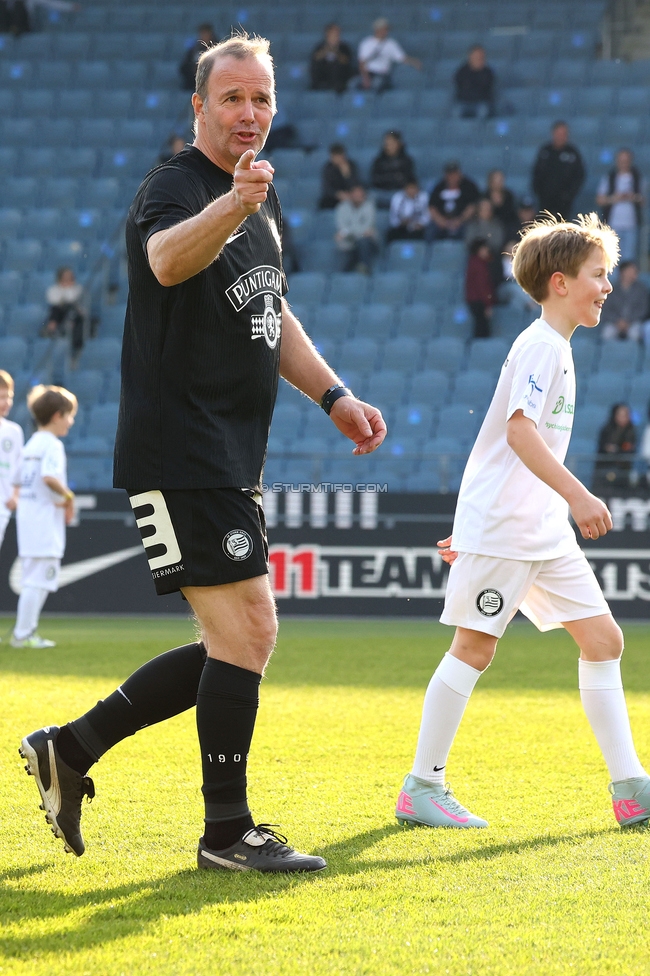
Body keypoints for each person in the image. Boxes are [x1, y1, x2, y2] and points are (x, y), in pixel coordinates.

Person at [19, 34, 386, 872]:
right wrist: (233, 207)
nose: (249, 113)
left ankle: (70, 749)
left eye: (261, 99)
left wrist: (334, 396)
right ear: (200, 106)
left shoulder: (263, 199)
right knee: (251, 628)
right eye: (232, 98)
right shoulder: (177, 187)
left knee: (239, 641)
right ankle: (227, 833)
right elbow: (165, 260)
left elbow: (273, 313)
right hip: (177, 447)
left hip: (229, 452)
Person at [397, 214, 650, 833]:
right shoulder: (540, 344)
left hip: (535, 530)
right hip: (513, 527)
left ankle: (632, 791)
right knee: (474, 648)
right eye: (599, 276)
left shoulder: (554, 347)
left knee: (603, 641)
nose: (607, 287)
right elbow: (518, 433)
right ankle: (422, 787)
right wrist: (579, 496)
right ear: (560, 283)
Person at [11, 385, 76, 649]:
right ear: (57, 415)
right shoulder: (52, 445)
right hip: (44, 523)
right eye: (69, 416)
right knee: (38, 581)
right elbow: (49, 477)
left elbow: (17, 480)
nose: (71, 422)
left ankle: (23, 633)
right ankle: (24, 635)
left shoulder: (30, 444)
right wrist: (69, 498)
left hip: (28, 520)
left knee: (31, 579)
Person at [596, 149, 645, 263]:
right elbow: (600, 199)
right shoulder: (610, 177)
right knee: (611, 257)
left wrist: (633, 197)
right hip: (613, 223)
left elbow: (643, 200)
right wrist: (614, 198)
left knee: (629, 258)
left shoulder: (637, 178)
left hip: (631, 224)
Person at [532, 121, 585, 219]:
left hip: (565, 203)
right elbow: (536, 173)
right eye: (558, 133)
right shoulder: (545, 151)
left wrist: (569, 194)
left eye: (563, 134)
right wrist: (539, 191)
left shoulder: (572, 153)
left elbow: (579, 176)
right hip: (545, 201)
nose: (561, 137)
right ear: (553, 134)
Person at [357, 18, 421, 93]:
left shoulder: (391, 44)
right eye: (384, 29)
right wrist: (366, 78)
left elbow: (402, 58)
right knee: (353, 84)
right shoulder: (366, 43)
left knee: (377, 84)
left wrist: (414, 62)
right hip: (368, 73)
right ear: (377, 29)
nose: (386, 32)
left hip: (382, 74)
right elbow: (362, 63)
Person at [426, 161, 479, 242]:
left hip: (462, 222)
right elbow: (432, 207)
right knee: (430, 230)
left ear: (459, 174)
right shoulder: (439, 187)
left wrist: (460, 220)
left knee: (470, 230)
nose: (452, 177)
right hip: (442, 222)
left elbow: (472, 206)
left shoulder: (469, 186)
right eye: (449, 174)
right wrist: (441, 221)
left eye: (454, 174)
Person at [0, 371, 23, 551]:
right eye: (1, 397)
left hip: (3, 507)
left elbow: (18, 468)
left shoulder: (13, 431)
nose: (6, 402)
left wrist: (14, 496)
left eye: (9, 397)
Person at [44, 267, 86, 363]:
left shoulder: (77, 288)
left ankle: (75, 344)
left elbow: (73, 299)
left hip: (74, 312)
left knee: (71, 309)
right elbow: (53, 300)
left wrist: (65, 295)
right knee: (56, 309)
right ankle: (53, 327)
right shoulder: (54, 289)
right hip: (60, 313)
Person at [334, 183, 379, 273]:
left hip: (367, 242)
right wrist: (358, 233)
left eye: (361, 194)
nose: (359, 196)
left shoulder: (369, 207)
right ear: (350, 195)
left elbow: (368, 227)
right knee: (353, 247)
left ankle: (364, 267)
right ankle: (359, 270)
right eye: (356, 194)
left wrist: (348, 233)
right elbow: (342, 226)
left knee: (363, 242)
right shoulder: (342, 207)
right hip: (349, 242)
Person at [600, 260, 648, 341]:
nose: (633, 274)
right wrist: (617, 321)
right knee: (607, 333)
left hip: (634, 322)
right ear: (622, 272)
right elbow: (606, 309)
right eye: (630, 271)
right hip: (614, 323)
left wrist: (628, 321)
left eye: (635, 272)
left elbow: (643, 309)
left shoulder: (641, 289)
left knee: (635, 333)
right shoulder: (611, 289)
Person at [594, 402, 637, 491]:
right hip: (605, 468)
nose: (623, 418)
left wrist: (616, 449)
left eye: (625, 415)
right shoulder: (607, 429)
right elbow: (602, 447)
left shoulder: (631, 431)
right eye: (620, 415)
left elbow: (628, 450)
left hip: (623, 471)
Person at [370, 130, 416, 209]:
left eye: (391, 143)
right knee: (368, 196)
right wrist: (393, 177)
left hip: (400, 192)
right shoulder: (378, 161)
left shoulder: (406, 161)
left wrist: (388, 178)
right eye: (386, 143)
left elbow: (407, 179)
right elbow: (375, 179)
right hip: (381, 191)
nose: (388, 146)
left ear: (398, 144)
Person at [310, 22, 354, 94]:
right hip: (323, 77)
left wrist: (336, 52)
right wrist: (326, 50)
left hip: (339, 79)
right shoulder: (320, 47)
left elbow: (346, 61)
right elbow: (315, 58)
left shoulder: (344, 47)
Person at [453, 45, 495, 118]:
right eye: (476, 56)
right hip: (464, 102)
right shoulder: (462, 71)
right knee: (456, 112)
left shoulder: (488, 72)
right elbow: (459, 86)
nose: (478, 58)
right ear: (470, 56)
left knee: (483, 111)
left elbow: (487, 88)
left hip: (480, 102)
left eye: (480, 56)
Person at [465, 238, 494, 338]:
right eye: (485, 248)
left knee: (479, 326)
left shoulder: (473, 262)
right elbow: (482, 285)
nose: (487, 250)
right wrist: (488, 304)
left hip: (473, 299)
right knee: (482, 328)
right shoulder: (479, 265)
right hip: (479, 301)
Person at [319, 143, 359, 210]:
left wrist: (347, 175)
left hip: (350, 196)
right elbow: (327, 187)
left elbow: (355, 185)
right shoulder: (328, 168)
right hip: (333, 197)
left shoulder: (351, 166)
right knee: (324, 203)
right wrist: (337, 194)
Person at [179, 23, 218, 91]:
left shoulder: (218, 48)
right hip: (194, 79)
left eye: (206, 33)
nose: (204, 36)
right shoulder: (194, 48)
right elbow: (185, 65)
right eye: (202, 33)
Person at [486, 169, 519, 241]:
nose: (499, 183)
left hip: (506, 227)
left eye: (501, 180)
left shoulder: (508, 195)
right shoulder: (485, 196)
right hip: (490, 227)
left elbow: (512, 214)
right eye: (496, 180)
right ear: (490, 181)